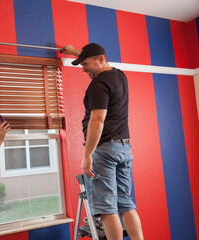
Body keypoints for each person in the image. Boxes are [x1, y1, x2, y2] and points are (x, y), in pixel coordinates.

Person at [62, 43, 144, 240]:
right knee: (126, 204)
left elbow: (97, 120)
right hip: (123, 147)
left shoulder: (98, 84)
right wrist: (77, 53)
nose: (83, 69)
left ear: (100, 59)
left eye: (86, 64)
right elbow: (95, 55)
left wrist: (87, 155)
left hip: (105, 150)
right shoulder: (119, 75)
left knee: (107, 209)